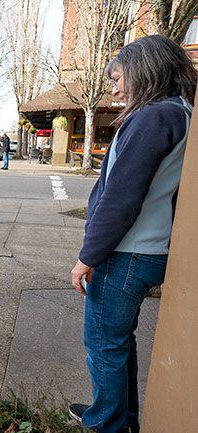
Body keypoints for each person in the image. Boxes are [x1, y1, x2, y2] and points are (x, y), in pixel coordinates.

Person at [69, 35, 196, 433]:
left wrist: (87, 256)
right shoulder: (181, 113)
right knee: (119, 342)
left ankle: (106, 423)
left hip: (128, 252)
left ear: (145, 70)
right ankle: (121, 419)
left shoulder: (151, 117)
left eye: (118, 77)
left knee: (103, 344)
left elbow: (121, 197)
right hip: (151, 250)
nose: (114, 88)